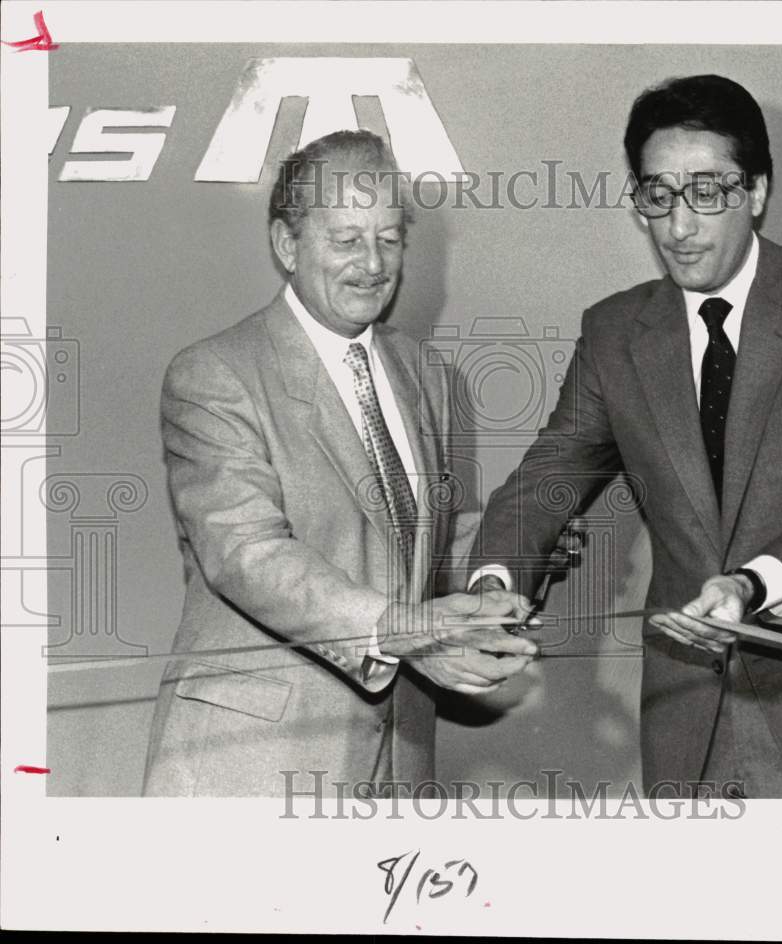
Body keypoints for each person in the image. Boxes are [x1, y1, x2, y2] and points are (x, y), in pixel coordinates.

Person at [469, 75, 782, 798]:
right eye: (658, 195)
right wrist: (492, 584)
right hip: (692, 725)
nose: (679, 226)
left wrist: (751, 585)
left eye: (707, 192)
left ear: (758, 191)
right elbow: (549, 475)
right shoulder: (615, 330)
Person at [143, 130, 536, 797]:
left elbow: (413, 547)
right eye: (346, 239)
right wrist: (404, 629)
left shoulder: (424, 373)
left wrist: (515, 555)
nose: (373, 262)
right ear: (287, 245)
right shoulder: (214, 374)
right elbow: (247, 554)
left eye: (389, 238)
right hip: (250, 763)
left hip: (398, 760)